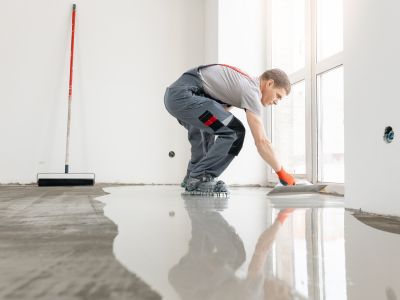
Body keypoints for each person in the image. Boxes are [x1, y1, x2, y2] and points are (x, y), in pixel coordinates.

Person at [164, 64, 296, 196]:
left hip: (177, 96)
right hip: (184, 95)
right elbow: (262, 142)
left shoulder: (242, 84)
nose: (277, 102)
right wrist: (281, 172)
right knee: (235, 132)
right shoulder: (252, 91)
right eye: (278, 96)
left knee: (210, 129)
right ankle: (200, 177)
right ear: (269, 83)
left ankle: (192, 178)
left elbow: (219, 115)